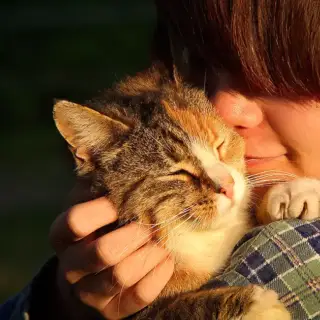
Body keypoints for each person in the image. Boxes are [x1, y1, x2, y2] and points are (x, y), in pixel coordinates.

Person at [2, 0, 320, 319]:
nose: (222, 110)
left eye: (277, 79)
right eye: (202, 66)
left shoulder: (293, 252)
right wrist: (59, 301)